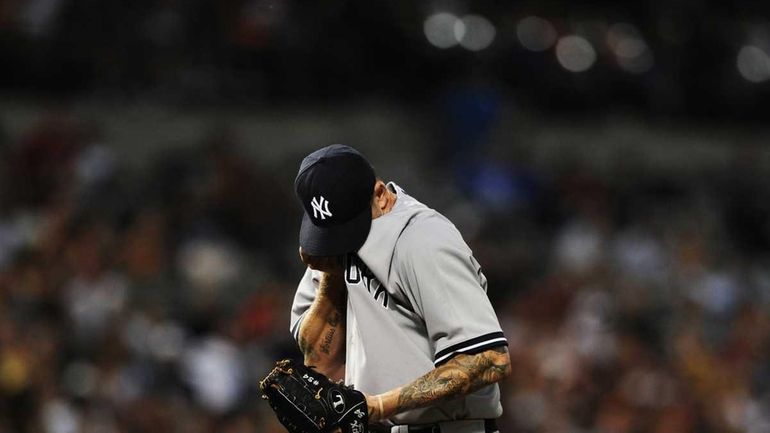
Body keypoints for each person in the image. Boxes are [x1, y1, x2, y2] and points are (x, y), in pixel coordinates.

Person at [290, 144, 510, 433]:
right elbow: (320, 363)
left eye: (347, 228)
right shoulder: (332, 245)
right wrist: (331, 276)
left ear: (380, 195)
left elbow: (489, 360)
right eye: (331, 233)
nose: (339, 241)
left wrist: (378, 406)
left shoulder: (424, 240)